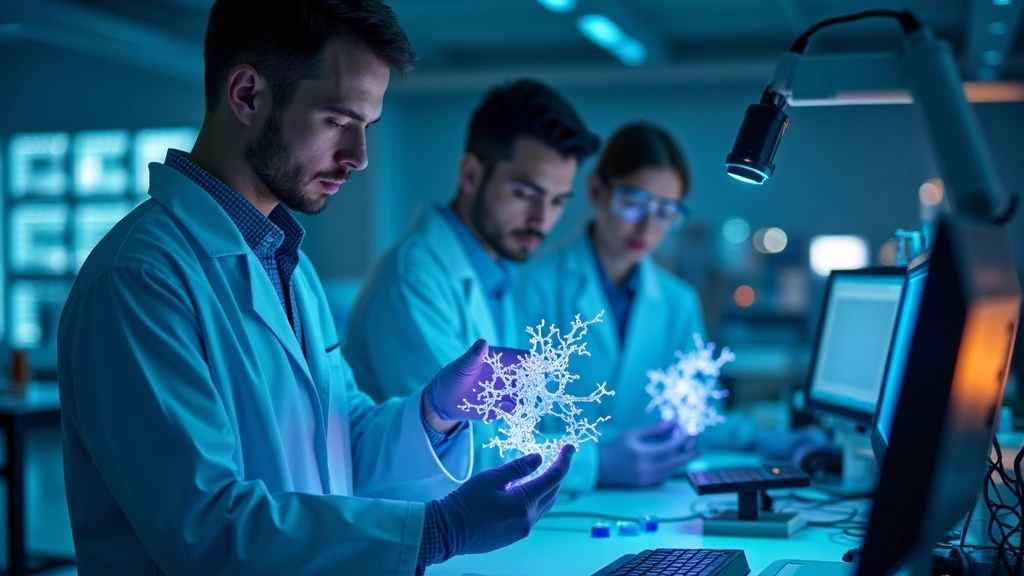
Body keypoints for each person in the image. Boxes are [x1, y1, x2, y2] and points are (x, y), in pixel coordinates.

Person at [57, 2, 574, 575]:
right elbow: (204, 528)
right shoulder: (141, 279)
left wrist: (436, 413)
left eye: (366, 128)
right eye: (337, 121)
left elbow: (342, 443)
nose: (359, 158)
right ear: (248, 94)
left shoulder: (287, 264)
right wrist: (436, 531)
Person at [342, 79, 599, 470]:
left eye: (558, 201)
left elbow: (517, 426)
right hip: (413, 514)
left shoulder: (495, 276)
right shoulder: (415, 279)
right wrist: (599, 461)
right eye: (526, 194)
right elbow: (465, 448)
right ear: (471, 174)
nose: (541, 219)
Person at [516, 122, 705, 491]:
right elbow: (513, 430)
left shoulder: (680, 302)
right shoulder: (532, 286)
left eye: (666, 212)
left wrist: (781, 442)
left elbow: (699, 416)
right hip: (557, 497)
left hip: (654, 498)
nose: (648, 227)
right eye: (633, 204)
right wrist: (598, 461)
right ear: (596, 190)